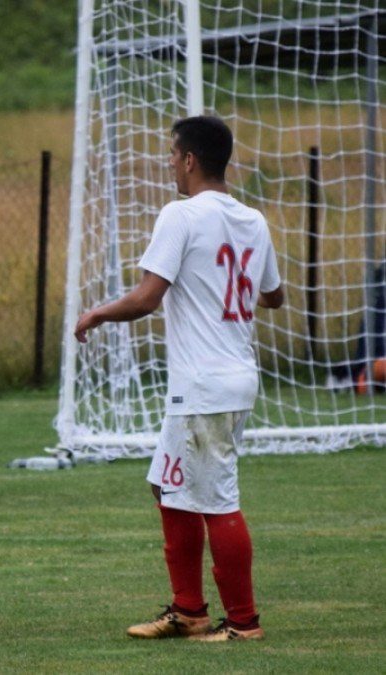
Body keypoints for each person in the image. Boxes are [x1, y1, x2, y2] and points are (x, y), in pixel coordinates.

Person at [74, 115, 284, 642]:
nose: (169, 163)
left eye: (172, 154)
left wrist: (97, 313)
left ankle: (244, 622)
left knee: (218, 500)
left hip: (205, 384)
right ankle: (188, 611)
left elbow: (147, 298)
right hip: (233, 376)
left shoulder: (181, 214)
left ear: (189, 159)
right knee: (167, 484)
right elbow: (274, 295)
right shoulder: (253, 220)